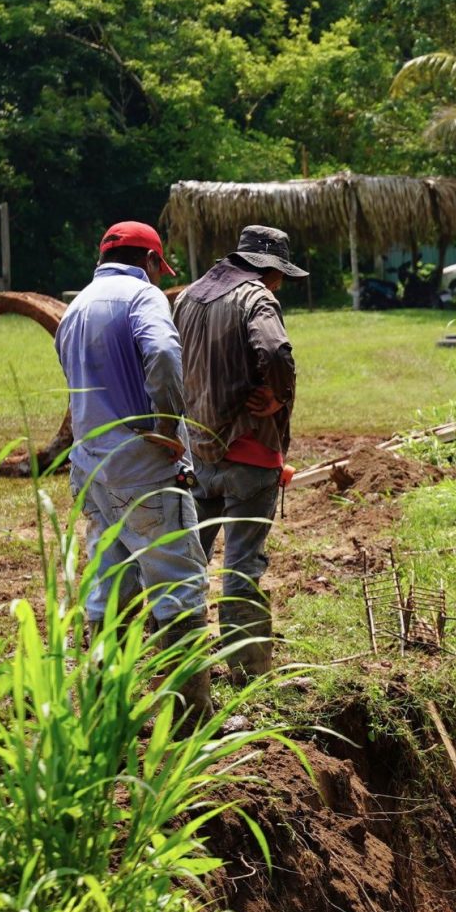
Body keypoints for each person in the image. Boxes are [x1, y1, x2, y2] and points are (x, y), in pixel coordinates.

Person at [54, 219, 213, 721]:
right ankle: (191, 718)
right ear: (149, 261)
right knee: (180, 583)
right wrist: (168, 424)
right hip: (144, 469)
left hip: (91, 471)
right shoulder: (144, 298)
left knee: (110, 585)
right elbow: (164, 354)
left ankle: (104, 712)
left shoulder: (74, 308)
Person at [176, 224, 305, 679]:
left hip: (197, 452)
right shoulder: (257, 298)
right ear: (270, 269)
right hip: (249, 455)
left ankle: (179, 660)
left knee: (187, 561)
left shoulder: (188, 297)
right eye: (281, 274)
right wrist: (278, 395)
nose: (280, 283)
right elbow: (273, 350)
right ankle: (248, 669)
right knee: (242, 565)